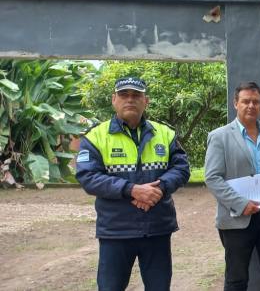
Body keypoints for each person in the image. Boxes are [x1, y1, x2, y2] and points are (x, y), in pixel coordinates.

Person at [76, 76, 190, 291]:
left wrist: (160, 188)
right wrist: (132, 190)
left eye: (136, 95)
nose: (130, 99)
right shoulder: (95, 136)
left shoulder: (165, 133)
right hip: (116, 231)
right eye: (124, 95)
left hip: (157, 229)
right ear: (114, 99)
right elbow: (88, 177)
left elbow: (182, 168)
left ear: (145, 101)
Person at [205, 82, 260, 291]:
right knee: (237, 280)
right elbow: (212, 178)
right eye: (246, 101)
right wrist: (241, 204)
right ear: (236, 104)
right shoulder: (219, 137)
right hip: (237, 218)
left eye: (256, 102)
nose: (251, 106)